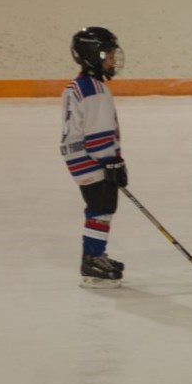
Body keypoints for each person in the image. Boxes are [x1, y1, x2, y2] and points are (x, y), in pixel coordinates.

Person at [60, 27, 128, 289]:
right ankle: (92, 259)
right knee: (102, 209)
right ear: (92, 55)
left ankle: (94, 255)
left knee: (98, 208)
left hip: (79, 160)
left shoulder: (80, 84)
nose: (113, 60)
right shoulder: (95, 90)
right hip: (93, 161)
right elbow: (98, 134)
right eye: (108, 54)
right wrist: (112, 162)